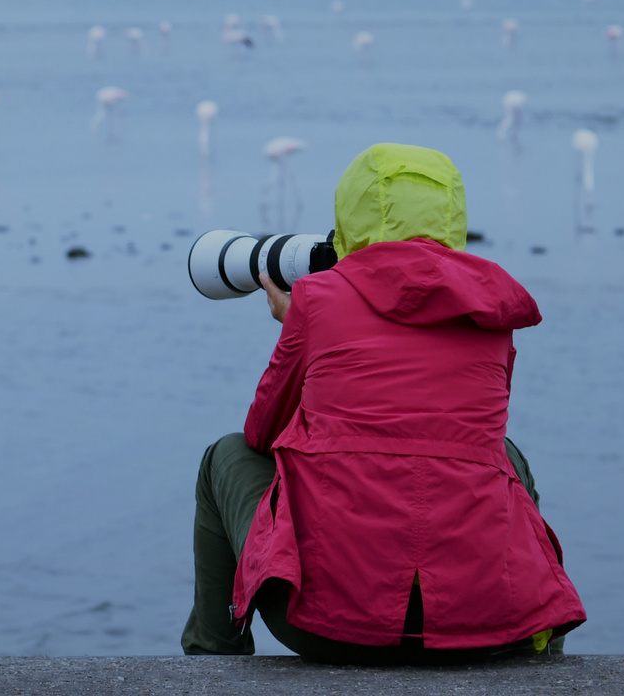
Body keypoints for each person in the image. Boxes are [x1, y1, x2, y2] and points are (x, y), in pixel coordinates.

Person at [182, 143, 585, 665]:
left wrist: (299, 324)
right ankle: (538, 640)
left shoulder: (319, 301)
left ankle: (213, 661)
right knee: (500, 452)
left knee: (227, 454)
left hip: (324, 624)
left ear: (351, 215)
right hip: (480, 625)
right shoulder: (493, 313)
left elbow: (262, 436)